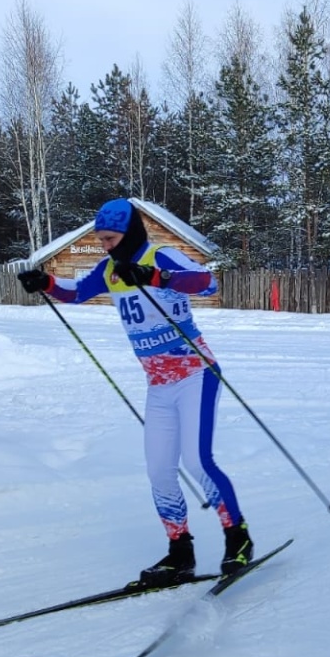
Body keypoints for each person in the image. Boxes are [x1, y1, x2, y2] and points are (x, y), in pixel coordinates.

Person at [17, 198, 251, 585]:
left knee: (197, 461)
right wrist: (45, 283)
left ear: (129, 233)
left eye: (109, 238)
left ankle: (237, 538)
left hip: (196, 374)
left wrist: (157, 277)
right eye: (100, 239)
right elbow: (76, 291)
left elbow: (206, 281)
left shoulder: (163, 255)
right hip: (159, 385)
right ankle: (180, 552)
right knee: (159, 471)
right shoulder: (110, 269)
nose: (105, 245)